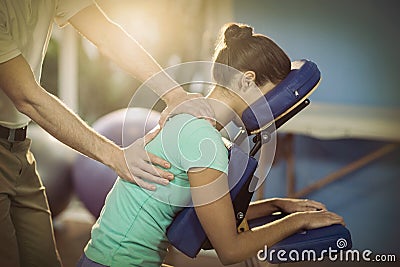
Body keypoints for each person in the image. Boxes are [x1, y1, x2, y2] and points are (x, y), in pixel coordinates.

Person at [78, 23, 345, 267]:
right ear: (246, 80)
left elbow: (212, 220)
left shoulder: (192, 125)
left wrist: (278, 205)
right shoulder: (204, 141)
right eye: (271, 94)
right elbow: (229, 249)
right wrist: (300, 221)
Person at [0, 1, 215, 267]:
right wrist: (116, 157)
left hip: (19, 148)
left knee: (43, 259)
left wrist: (175, 94)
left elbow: (108, 35)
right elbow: (27, 97)